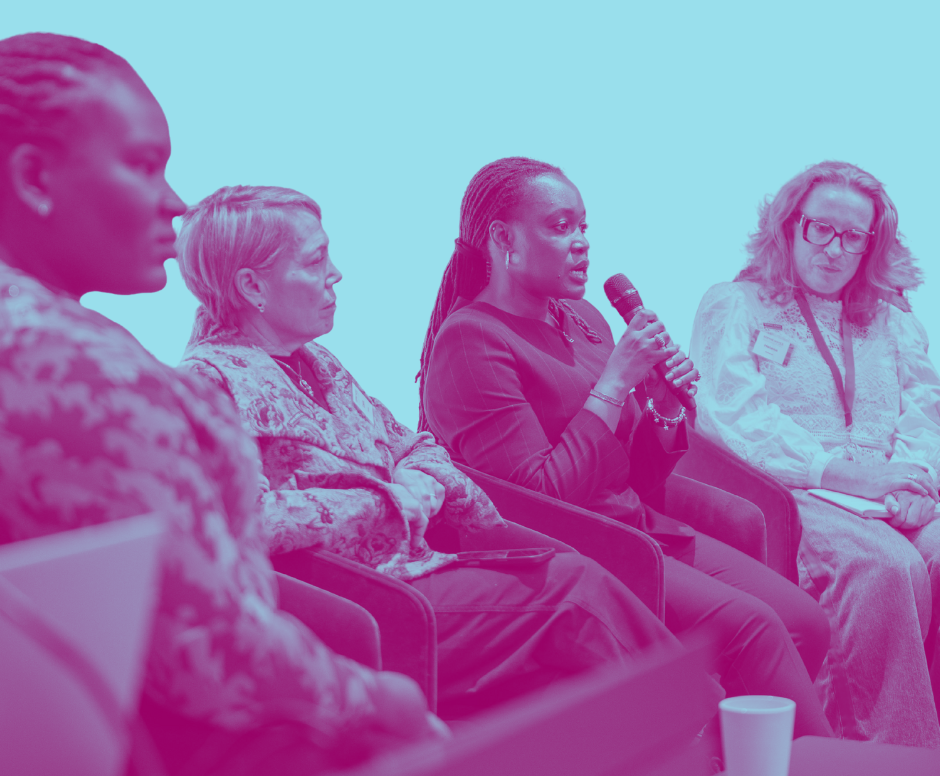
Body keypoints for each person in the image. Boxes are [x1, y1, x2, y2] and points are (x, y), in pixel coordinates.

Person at [0, 32, 445, 775]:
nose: (175, 202)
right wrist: (380, 702)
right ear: (36, 176)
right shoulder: (64, 360)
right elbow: (206, 652)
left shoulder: (62, 337)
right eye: (144, 165)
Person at [174, 184, 714, 722]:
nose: (336, 273)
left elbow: (417, 443)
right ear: (251, 286)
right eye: (316, 261)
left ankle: (698, 730)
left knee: (575, 592)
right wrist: (389, 498)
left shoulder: (317, 360)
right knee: (579, 592)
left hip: (416, 567)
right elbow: (244, 522)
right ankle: (710, 727)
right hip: (361, 603)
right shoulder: (210, 386)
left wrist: (417, 480)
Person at [418, 156, 833, 739]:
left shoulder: (586, 320)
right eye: (560, 227)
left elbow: (636, 476)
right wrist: (615, 382)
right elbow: (539, 496)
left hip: (638, 522)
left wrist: (662, 405)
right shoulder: (470, 341)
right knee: (756, 630)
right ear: (504, 239)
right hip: (582, 550)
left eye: (584, 225)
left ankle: (741, 750)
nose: (582, 243)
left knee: (807, 623)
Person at [689, 160, 940, 747]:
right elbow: (734, 421)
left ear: (871, 245)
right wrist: (854, 477)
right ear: (789, 225)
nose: (833, 249)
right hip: (796, 490)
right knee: (888, 569)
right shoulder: (737, 305)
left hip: (891, 489)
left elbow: (926, 407)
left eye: (853, 237)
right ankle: (881, 750)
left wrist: (911, 480)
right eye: (820, 229)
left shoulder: (892, 318)